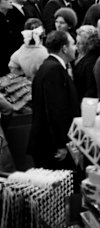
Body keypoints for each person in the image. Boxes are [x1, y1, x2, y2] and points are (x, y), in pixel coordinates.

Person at [28, 30, 79, 170]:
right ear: (64, 48)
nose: (76, 48)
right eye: (73, 44)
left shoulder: (49, 66)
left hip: (48, 143)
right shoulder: (54, 70)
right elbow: (55, 110)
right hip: (51, 146)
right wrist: (61, 144)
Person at [73, 25, 100, 102]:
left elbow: (91, 90)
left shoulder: (91, 63)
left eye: (79, 43)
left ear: (89, 45)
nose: (76, 46)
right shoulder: (80, 56)